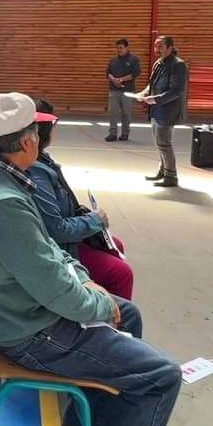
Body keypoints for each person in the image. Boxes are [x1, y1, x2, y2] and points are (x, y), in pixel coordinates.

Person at [0, 91, 180, 426]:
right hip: (29, 330)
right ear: (26, 141)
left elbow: (49, 255)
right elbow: (50, 286)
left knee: (130, 317)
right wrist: (96, 304)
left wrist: (85, 280)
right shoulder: (2, 201)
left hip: (16, 311)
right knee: (161, 376)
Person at [28, 100, 134, 299]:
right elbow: (57, 230)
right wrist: (94, 220)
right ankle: (112, 316)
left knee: (114, 245)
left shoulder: (41, 161)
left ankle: (99, 300)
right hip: (57, 248)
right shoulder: (36, 172)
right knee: (121, 273)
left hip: (64, 237)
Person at [135, 35, 187, 188]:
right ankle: (162, 171)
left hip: (168, 110)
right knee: (159, 143)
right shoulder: (158, 63)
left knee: (164, 143)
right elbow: (151, 84)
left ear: (170, 47)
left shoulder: (178, 65)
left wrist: (156, 99)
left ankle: (171, 176)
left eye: (160, 46)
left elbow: (176, 91)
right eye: (156, 46)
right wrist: (144, 93)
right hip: (155, 109)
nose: (157, 49)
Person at [105, 38, 141, 142]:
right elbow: (108, 73)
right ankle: (112, 133)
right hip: (113, 89)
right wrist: (114, 80)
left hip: (127, 90)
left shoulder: (134, 59)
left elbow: (135, 73)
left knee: (126, 112)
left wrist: (121, 79)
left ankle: (125, 133)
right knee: (113, 112)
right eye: (117, 48)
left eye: (121, 48)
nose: (119, 50)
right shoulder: (113, 60)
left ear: (126, 47)